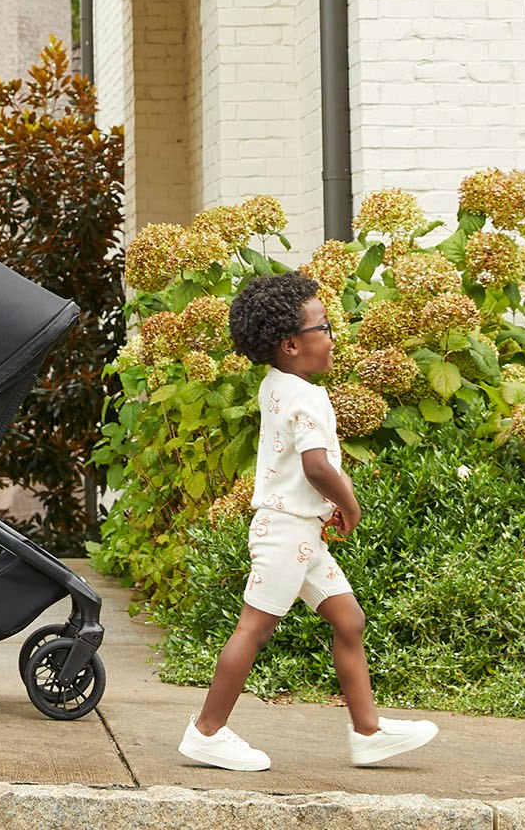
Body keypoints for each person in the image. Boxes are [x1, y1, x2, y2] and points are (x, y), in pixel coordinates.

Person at [176, 271, 438, 771]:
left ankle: (368, 732)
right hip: (287, 531)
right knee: (253, 628)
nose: (333, 336)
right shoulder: (309, 396)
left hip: (298, 532)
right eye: (325, 327)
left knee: (348, 619)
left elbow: (305, 466)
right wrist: (351, 503)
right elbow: (318, 465)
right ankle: (206, 731)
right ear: (292, 344)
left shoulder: (276, 386)